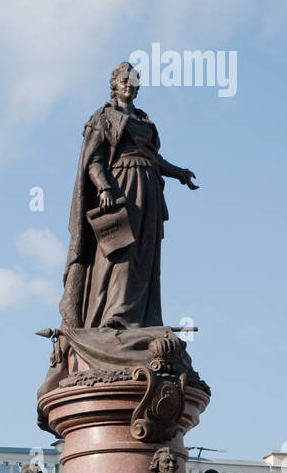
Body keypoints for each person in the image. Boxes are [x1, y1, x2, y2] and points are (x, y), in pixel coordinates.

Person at [60, 61, 198, 330]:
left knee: (145, 253)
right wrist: (104, 188)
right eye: (125, 81)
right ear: (114, 85)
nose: (130, 86)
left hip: (149, 191)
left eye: (134, 82)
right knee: (121, 250)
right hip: (121, 186)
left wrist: (179, 173)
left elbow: (153, 158)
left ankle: (143, 318)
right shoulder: (103, 118)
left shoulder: (144, 120)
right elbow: (93, 160)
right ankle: (114, 315)